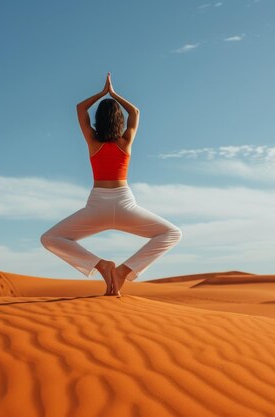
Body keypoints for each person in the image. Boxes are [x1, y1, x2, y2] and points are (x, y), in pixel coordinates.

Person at [40, 73, 182, 296]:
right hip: (125, 203)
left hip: (97, 206)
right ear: (119, 121)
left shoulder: (92, 141)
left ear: (99, 120)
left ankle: (102, 266)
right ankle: (124, 271)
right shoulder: (125, 142)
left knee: (49, 239)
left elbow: (80, 108)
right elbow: (135, 112)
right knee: (172, 233)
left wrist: (102, 93)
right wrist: (115, 94)